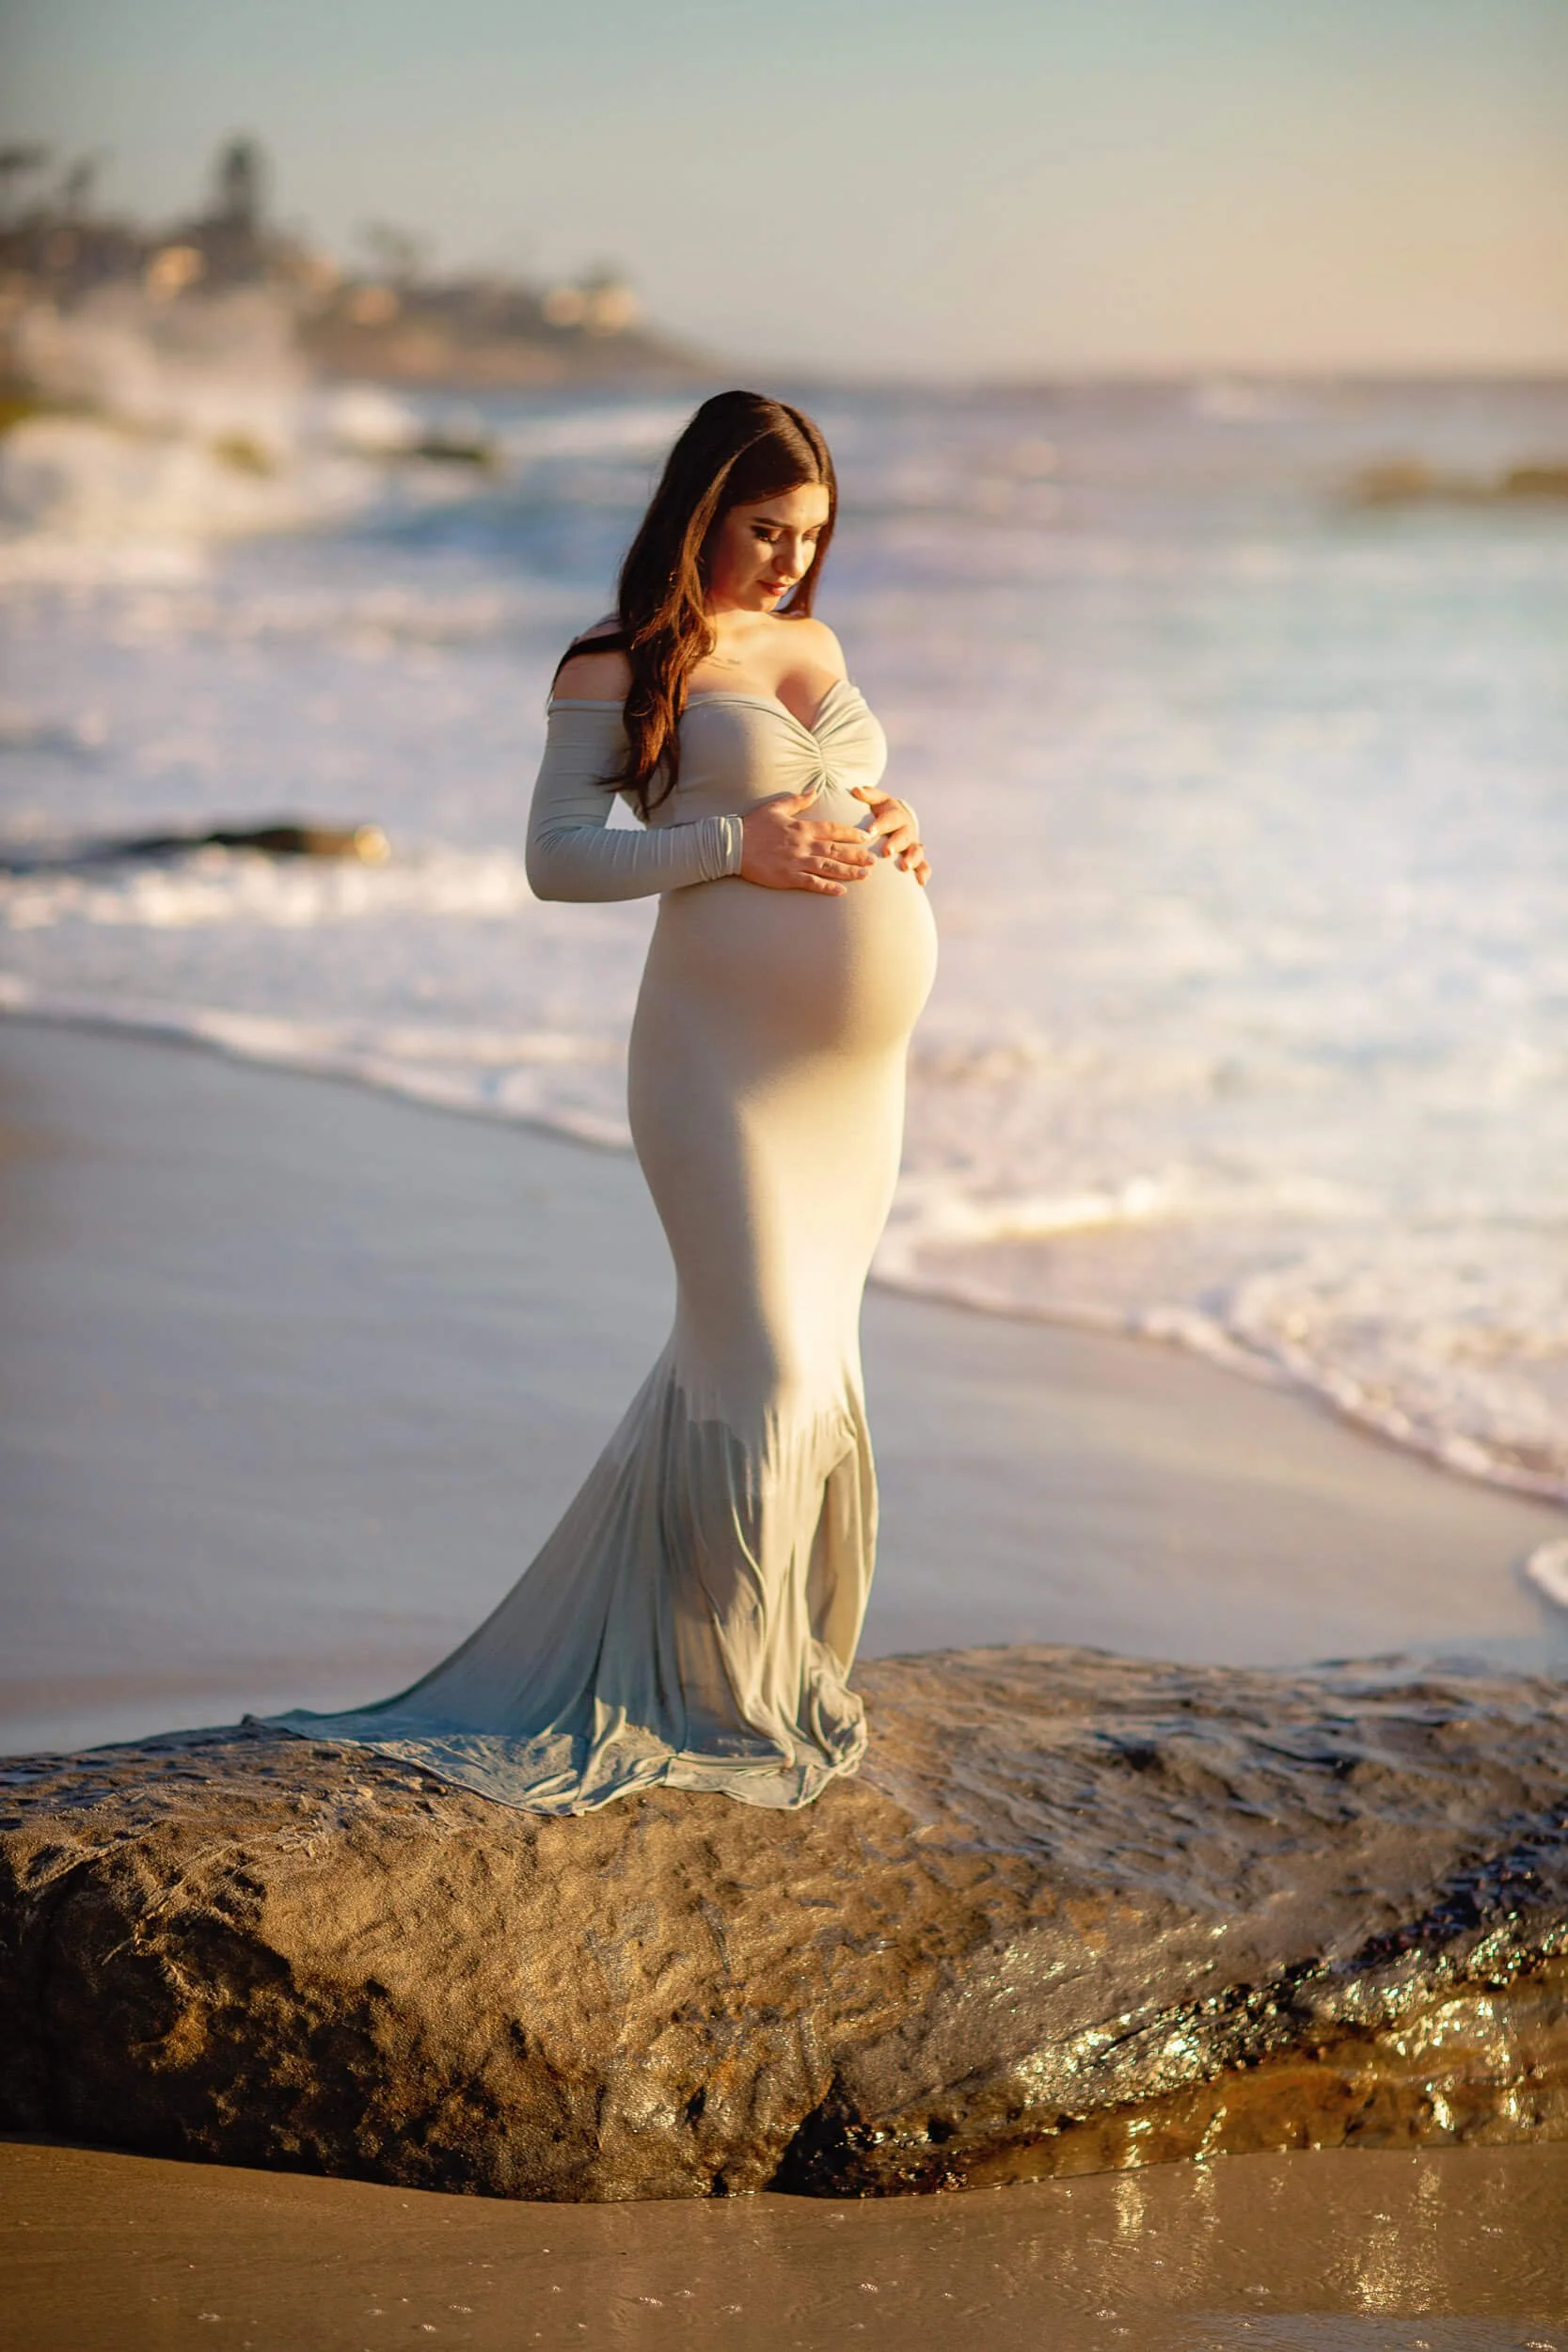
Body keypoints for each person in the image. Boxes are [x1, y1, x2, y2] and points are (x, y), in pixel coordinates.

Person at [271, 391, 937, 1811]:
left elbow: (839, 795)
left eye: (811, 535)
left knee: (821, 1360)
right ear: (703, 514)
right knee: (755, 1357)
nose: (788, 561)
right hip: (719, 1067)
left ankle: (762, 1668)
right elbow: (560, 860)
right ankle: (709, 1693)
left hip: (852, 1082)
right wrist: (731, 843)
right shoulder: (616, 661)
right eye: (765, 530)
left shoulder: (815, 643)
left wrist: (889, 819)